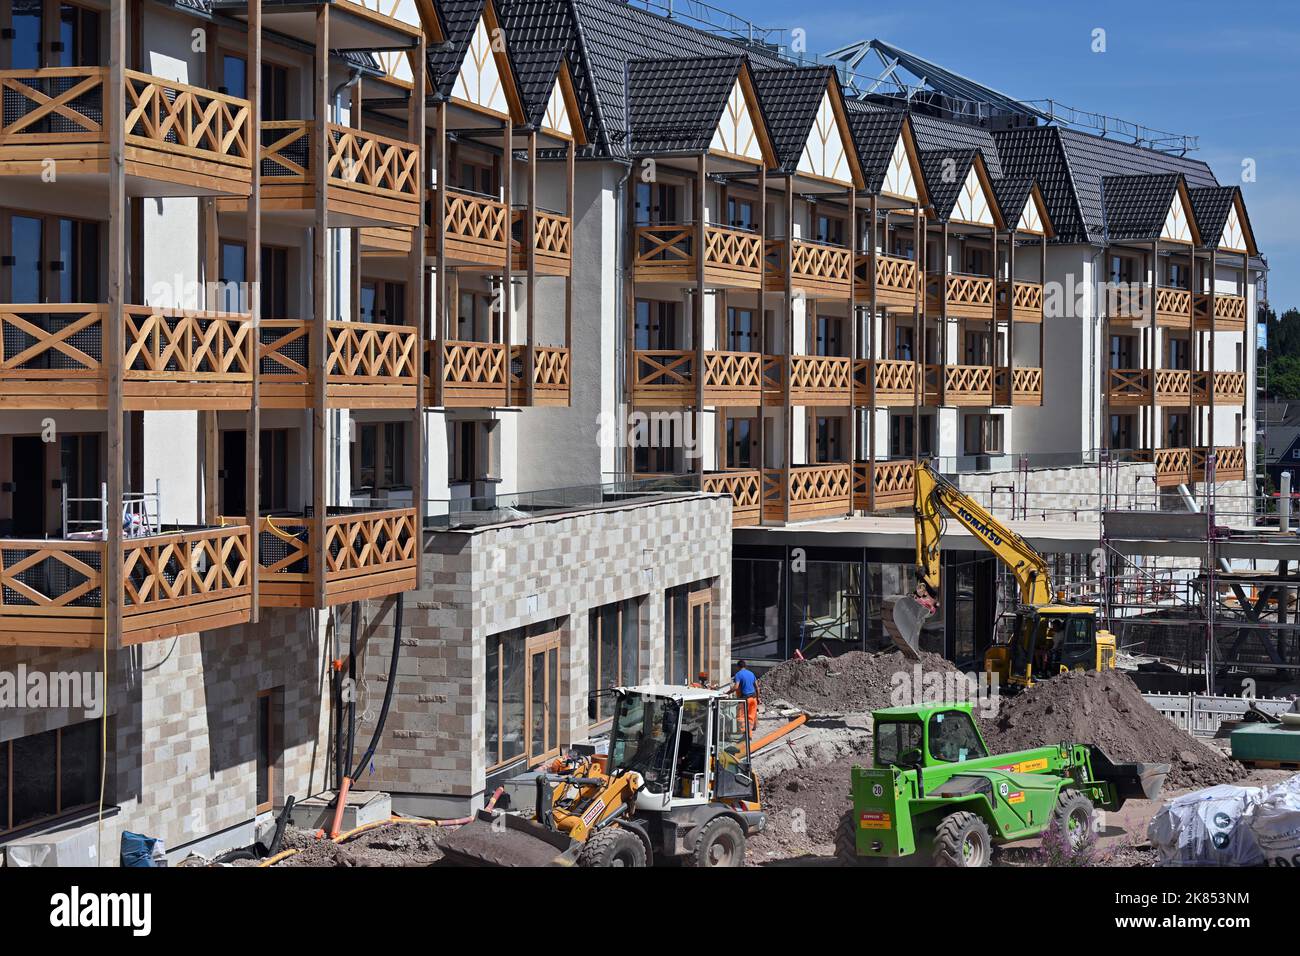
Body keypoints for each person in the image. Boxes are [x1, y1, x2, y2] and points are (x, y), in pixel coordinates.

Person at [731, 660, 759, 733]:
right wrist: (758, 698)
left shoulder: (738, 674)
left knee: (741, 717)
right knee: (751, 717)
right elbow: (757, 687)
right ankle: (749, 735)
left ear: (738, 667)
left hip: (744, 699)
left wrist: (727, 693)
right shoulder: (751, 673)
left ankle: (743, 735)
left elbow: (736, 687)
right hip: (753, 698)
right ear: (745, 666)